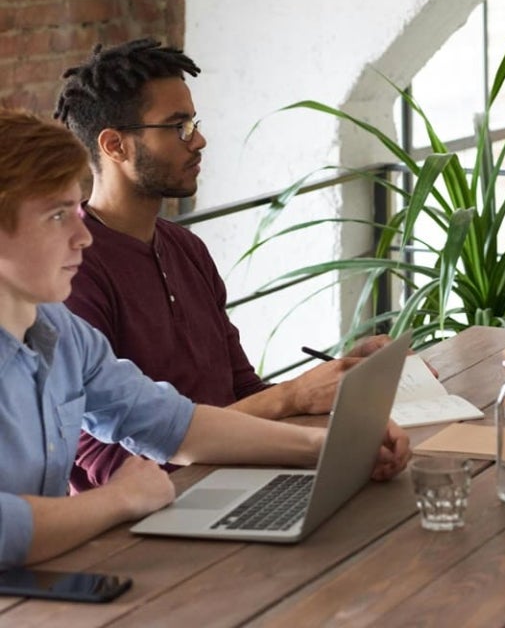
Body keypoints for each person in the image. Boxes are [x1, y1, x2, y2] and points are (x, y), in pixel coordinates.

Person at [0, 108, 410, 567]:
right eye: (57, 216)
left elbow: (172, 424)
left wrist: (335, 448)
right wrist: (120, 498)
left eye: (76, 210)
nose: (83, 237)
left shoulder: (61, 331)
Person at [52, 39, 390, 491]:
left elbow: (242, 391)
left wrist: (332, 383)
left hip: (237, 478)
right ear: (115, 145)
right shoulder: (72, 271)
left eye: (193, 123)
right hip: (146, 519)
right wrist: (291, 400)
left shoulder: (186, 248)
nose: (199, 139)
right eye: (178, 127)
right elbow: (108, 466)